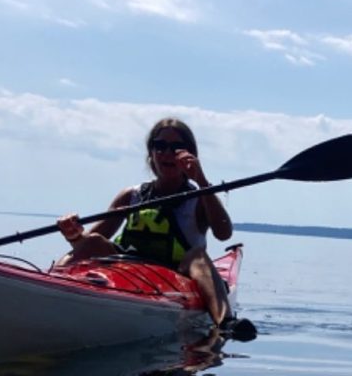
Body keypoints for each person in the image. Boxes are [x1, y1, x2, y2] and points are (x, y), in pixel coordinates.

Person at [55, 118, 236, 327]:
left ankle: (226, 322)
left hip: (176, 273)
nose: (168, 153)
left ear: (190, 154)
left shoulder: (200, 197)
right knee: (94, 241)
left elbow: (224, 233)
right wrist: (73, 234)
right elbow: (85, 244)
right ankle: (51, 283)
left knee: (198, 257)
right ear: (151, 153)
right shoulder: (131, 195)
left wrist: (201, 180)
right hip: (127, 268)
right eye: (160, 146)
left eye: (177, 147)